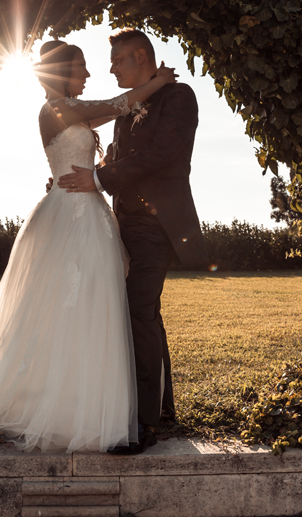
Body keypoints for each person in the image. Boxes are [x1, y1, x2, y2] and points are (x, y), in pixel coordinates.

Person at [0, 40, 176, 453]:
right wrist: (160, 81)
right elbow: (120, 104)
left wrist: (95, 172)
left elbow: (110, 117)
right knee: (68, 304)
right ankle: (62, 406)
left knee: (98, 307)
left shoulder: (72, 111)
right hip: (71, 217)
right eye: (81, 68)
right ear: (62, 72)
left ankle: (101, 400)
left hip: (92, 213)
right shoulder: (55, 109)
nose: (87, 75)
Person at [58, 29, 207, 455]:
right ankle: (162, 407)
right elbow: (118, 158)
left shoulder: (179, 98)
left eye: (118, 60)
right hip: (121, 224)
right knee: (143, 313)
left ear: (140, 55)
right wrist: (78, 176)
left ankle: (142, 426)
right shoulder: (133, 104)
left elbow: (158, 154)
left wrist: (100, 179)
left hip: (157, 225)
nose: (110, 68)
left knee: (137, 311)